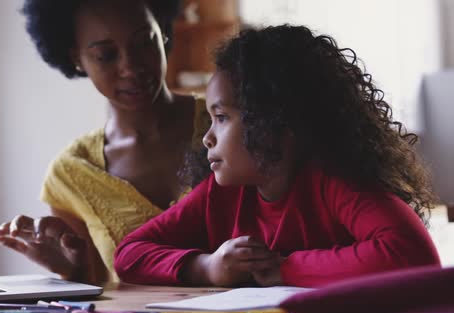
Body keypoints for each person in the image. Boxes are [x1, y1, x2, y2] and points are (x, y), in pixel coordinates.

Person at [114, 25, 442, 288]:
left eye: (223, 118)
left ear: (274, 120)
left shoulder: (333, 183)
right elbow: (129, 254)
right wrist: (207, 267)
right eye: (211, 119)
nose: (207, 137)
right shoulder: (220, 193)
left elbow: (413, 253)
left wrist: (283, 269)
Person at [0, 0, 209, 285]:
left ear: (163, 31)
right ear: (76, 59)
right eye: (107, 55)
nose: (130, 67)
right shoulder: (73, 174)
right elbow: (96, 292)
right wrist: (71, 270)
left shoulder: (229, 122)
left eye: (145, 41)